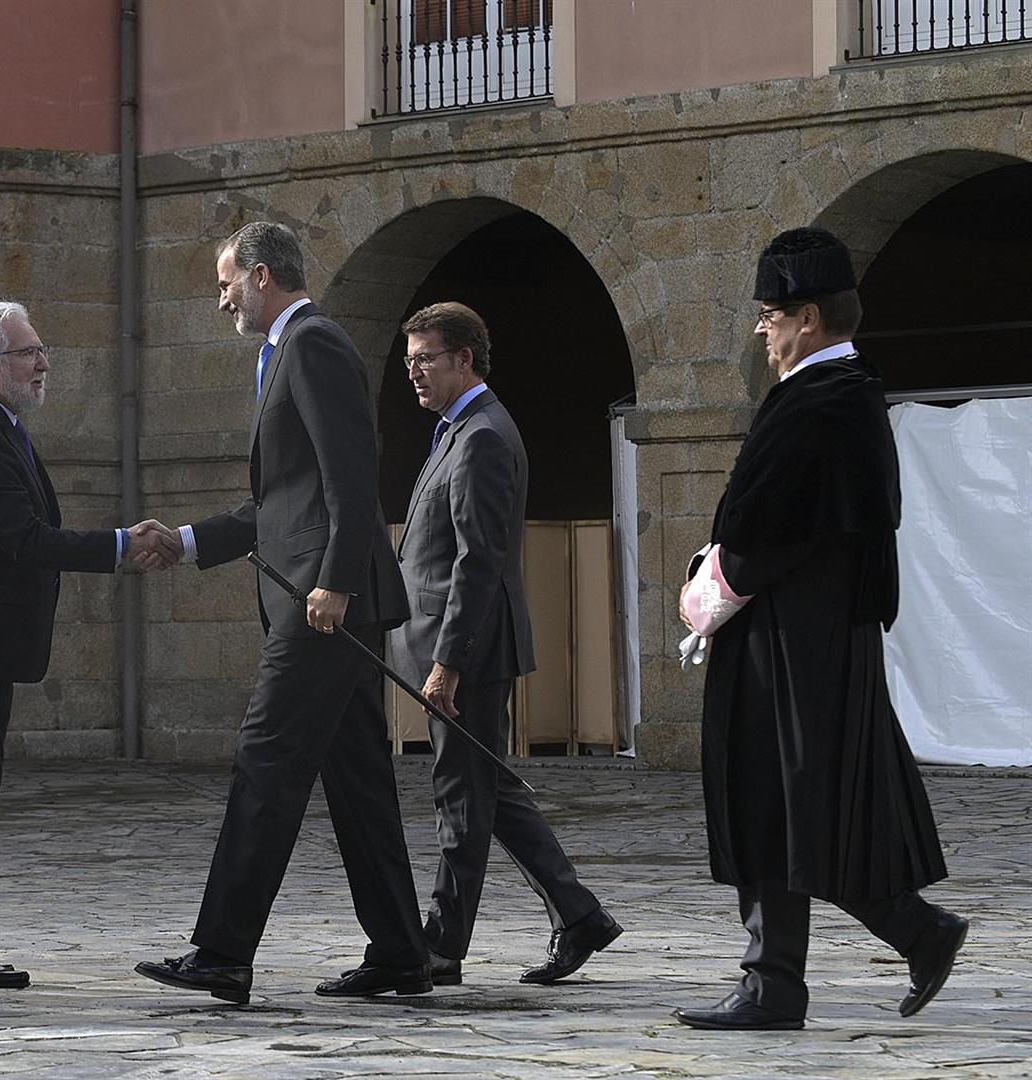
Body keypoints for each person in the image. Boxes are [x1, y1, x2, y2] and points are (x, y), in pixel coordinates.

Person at [672, 228, 967, 1031]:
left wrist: (705, 590)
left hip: (790, 642)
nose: (761, 330)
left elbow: (768, 527)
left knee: (781, 801)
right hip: (809, 637)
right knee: (804, 804)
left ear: (807, 317)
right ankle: (887, 941)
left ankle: (788, 979)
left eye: (770, 315)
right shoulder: (845, 394)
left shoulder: (819, 401)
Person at [134, 221, 428, 1004]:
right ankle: (402, 952)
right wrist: (189, 541)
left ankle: (223, 952)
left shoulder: (313, 344)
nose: (222, 294)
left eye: (227, 280)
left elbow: (351, 474)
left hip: (321, 606)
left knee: (265, 764)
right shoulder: (284, 355)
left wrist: (333, 584)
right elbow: (280, 502)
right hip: (320, 597)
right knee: (360, 780)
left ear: (261, 275)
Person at [0, 301, 179, 989]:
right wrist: (121, 546)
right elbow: (23, 539)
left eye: (41, 350)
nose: (44, 363)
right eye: (30, 353)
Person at [389, 302, 622, 988]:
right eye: (408, 361)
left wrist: (447, 664)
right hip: (455, 646)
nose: (414, 373)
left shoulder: (483, 435)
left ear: (464, 357)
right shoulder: (455, 431)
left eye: (425, 358)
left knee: (461, 796)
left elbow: (478, 562)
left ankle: (443, 944)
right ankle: (579, 915)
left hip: (468, 651)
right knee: (490, 788)